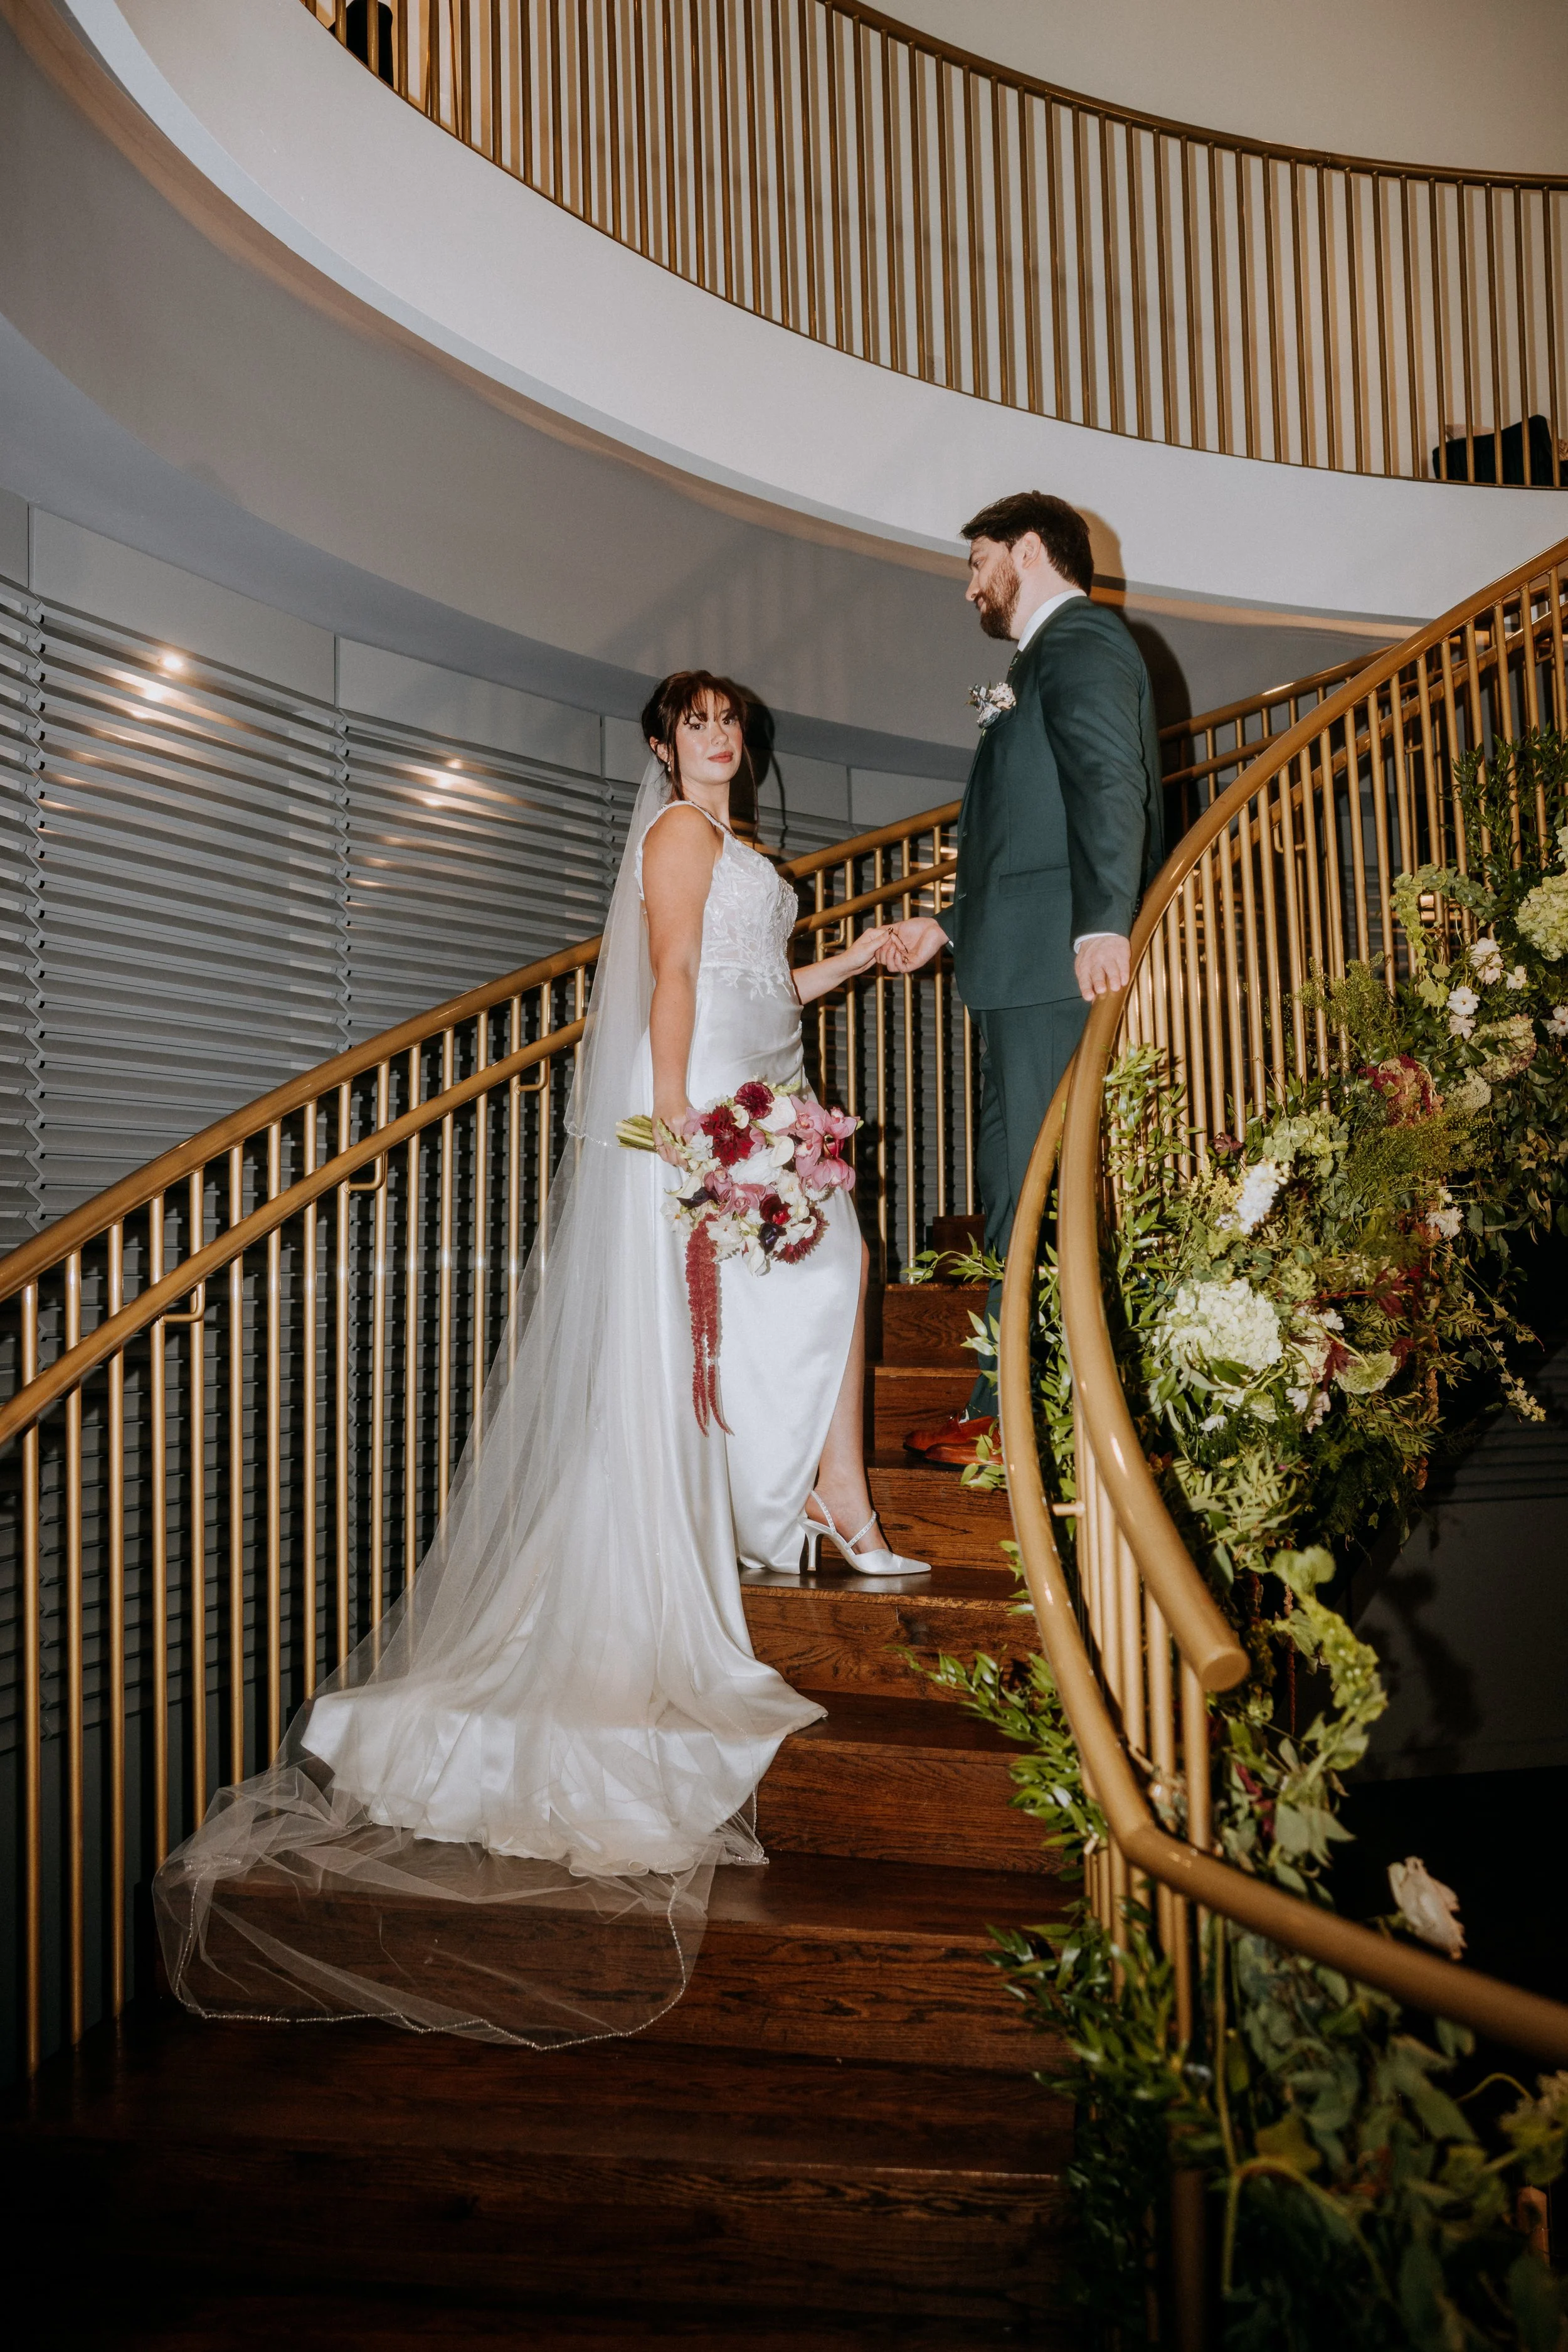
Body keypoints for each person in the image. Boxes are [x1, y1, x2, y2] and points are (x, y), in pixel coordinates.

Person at [153, 672, 926, 2052]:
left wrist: (858, 960)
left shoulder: (748, 849)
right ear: (659, 746)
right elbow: (678, 977)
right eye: (694, 723)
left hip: (765, 1082)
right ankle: (834, 1502)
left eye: (730, 721)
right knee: (827, 1265)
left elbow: (756, 973)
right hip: (704, 1100)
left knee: (817, 1272)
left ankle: (824, 1498)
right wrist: (685, 1128)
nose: (719, 737)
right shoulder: (678, 839)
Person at [885, 492, 1163, 1459]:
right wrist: (948, 925)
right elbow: (1015, 831)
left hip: (1055, 964)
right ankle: (1004, 1407)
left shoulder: (1081, 638)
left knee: (1035, 1194)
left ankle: (1019, 1416)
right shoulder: (1022, 670)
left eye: (976, 561)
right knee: (1014, 1195)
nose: (970, 584)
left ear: (1029, 549)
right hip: (1014, 964)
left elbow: (1107, 779)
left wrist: (1100, 923)